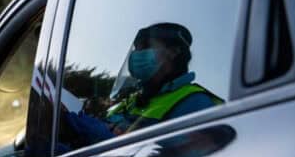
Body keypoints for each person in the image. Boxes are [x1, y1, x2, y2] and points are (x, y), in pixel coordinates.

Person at [66, 22, 223, 146]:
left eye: (146, 46)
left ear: (173, 52)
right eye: (136, 49)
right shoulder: (133, 100)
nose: (136, 54)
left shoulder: (195, 103)